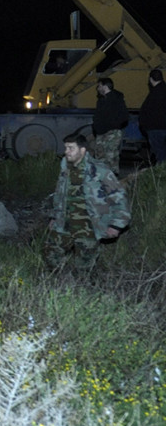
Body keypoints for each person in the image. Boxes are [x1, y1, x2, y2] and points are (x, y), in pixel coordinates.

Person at [44, 133, 130, 273]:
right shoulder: (65, 168)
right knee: (51, 255)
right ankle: (57, 286)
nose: (66, 152)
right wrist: (54, 216)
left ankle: (81, 290)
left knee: (84, 267)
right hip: (64, 224)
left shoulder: (99, 170)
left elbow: (119, 197)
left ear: (82, 150)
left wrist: (117, 225)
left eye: (71, 148)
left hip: (88, 227)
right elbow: (59, 194)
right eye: (65, 148)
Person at [91, 77, 129, 175]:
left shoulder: (115, 99)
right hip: (102, 132)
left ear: (105, 86)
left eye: (99, 86)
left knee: (110, 156)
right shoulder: (103, 100)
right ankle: (103, 177)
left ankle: (112, 178)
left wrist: (111, 126)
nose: (97, 88)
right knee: (101, 155)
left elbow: (124, 116)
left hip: (110, 132)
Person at [139, 69, 166, 165]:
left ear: (151, 79)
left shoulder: (154, 94)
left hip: (155, 128)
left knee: (159, 153)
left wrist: (143, 125)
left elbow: (147, 111)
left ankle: (161, 174)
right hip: (162, 127)